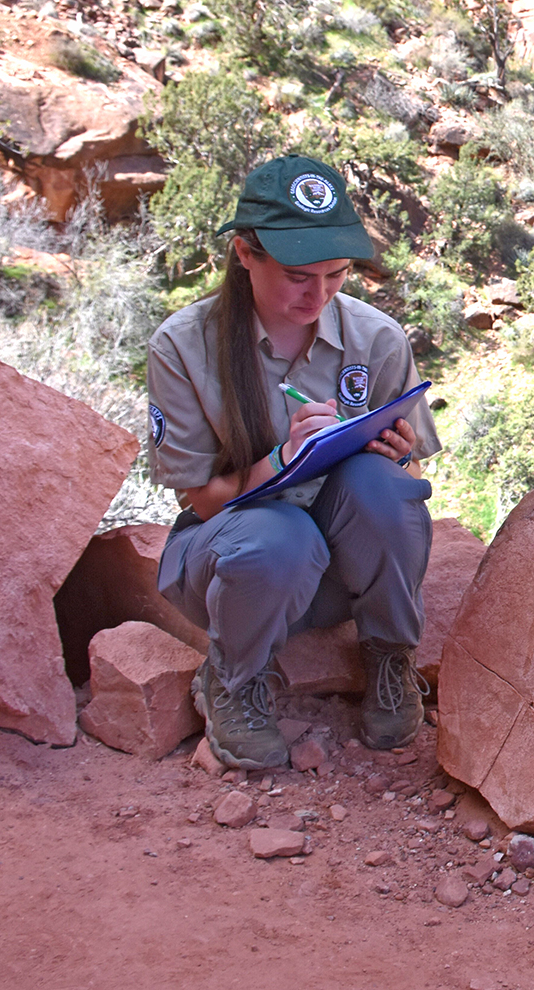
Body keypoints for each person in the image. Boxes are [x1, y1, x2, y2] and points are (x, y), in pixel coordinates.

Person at [147, 154, 441, 771]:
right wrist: (281, 458)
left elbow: (407, 492)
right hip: (237, 569)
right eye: (298, 275)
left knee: (382, 487)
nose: (320, 293)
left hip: (336, 576)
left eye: (337, 274)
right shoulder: (183, 345)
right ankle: (234, 678)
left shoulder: (376, 339)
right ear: (245, 254)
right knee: (279, 536)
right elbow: (203, 500)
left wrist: (397, 458)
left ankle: (388, 656)